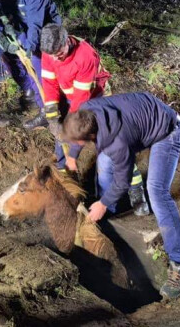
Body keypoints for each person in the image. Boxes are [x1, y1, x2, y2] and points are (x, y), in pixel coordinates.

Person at [61, 92, 180, 300]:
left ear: (91, 137)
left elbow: (122, 180)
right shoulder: (88, 111)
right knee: (105, 163)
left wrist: (103, 203)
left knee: (157, 191)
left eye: (80, 143)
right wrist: (72, 156)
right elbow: (80, 131)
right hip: (145, 114)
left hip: (169, 132)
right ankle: (106, 223)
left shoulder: (117, 143)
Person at [40, 24, 150, 216]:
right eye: (52, 55)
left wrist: (69, 131)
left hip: (96, 99)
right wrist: (53, 119)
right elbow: (49, 84)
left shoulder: (85, 56)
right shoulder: (49, 53)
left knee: (112, 147)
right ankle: (69, 192)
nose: (56, 58)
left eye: (59, 53)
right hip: (70, 96)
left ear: (67, 41)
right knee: (61, 147)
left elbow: (81, 104)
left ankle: (135, 191)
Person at [0, 0, 62, 129]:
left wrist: (30, 49)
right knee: (15, 61)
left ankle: (48, 112)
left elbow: (35, 24)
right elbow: (5, 8)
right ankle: (33, 95)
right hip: (23, 29)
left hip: (45, 31)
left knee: (37, 68)